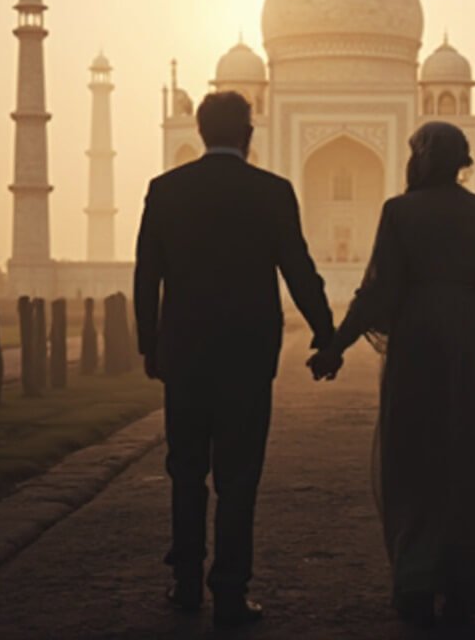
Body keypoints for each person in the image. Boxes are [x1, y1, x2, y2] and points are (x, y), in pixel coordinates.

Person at [309, 121, 475, 626]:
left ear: (419, 158)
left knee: (416, 460)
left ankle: (417, 581)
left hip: (419, 345)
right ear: (462, 161)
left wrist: (336, 346)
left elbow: (377, 290)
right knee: (470, 461)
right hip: (470, 344)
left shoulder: (399, 212)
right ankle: (468, 585)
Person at [134, 91, 336, 628]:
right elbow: (299, 269)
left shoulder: (167, 190)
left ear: (200, 132)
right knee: (239, 476)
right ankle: (228, 591)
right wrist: (327, 334)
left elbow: (145, 276)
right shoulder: (270, 192)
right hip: (247, 355)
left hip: (184, 351)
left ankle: (183, 583)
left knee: (185, 468)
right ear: (250, 134)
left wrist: (148, 345)